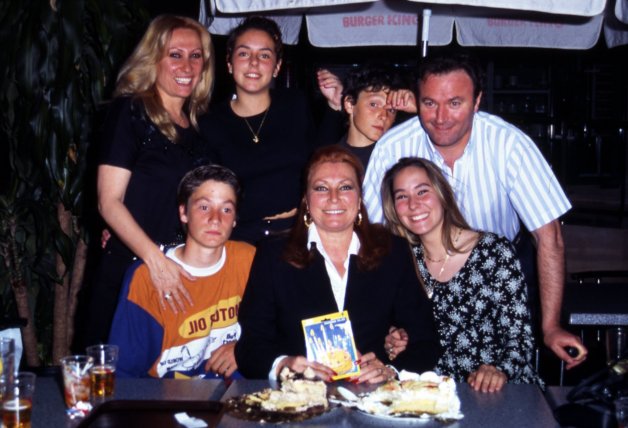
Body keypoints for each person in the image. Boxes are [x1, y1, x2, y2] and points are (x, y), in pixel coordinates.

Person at [362, 51, 587, 368]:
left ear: (477, 101)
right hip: (418, 277)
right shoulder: (392, 146)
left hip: (499, 275)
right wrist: (386, 322)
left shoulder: (508, 144)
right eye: (429, 103)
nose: (441, 117)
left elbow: (549, 237)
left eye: (455, 103)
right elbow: (372, 240)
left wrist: (549, 327)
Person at [234, 145, 441, 382]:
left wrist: (390, 371)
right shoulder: (273, 255)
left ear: (360, 197)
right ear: (306, 199)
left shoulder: (392, 251)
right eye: (321, 188)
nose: (334, 198)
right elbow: (250, 345)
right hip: (301, 400)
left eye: (345, 187)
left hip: (373, 398)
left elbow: (425, 339)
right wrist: (282, 365)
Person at [84, 15, 215, 346]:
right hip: (132, 270)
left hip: (179, 273)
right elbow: (108, 201)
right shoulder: (131, 112)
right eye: (175, 54)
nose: (186, 65)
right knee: (113, 385)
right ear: (152, 58)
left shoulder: (198, 129)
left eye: (195, 55)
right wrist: (155, 260)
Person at [381, 157, 543, 392]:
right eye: (402, 196)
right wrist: (396, 339)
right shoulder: (402, 260)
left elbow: (520, 337)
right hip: (431, 393)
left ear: (442, 194)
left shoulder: (494, 251)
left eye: (422, 191)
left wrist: (498, 370)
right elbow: (403, 332)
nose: (413, 204)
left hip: (500, 391)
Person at [199, 16, 344, 245]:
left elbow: (320, 160)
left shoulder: (294, 104)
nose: (254, 63)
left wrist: (334, 108)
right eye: (244, 53)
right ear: (229, 63)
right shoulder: (210, 122)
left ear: (277, 67)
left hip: (299, 233)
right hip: (242, 240)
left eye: (264, 55)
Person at [109, 164, 255, 379]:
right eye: (204, 207)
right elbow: (124, 374)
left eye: (226, 209)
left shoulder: (248, 259)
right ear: (183, 213)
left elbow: (281, 327)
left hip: (238, 398)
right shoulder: (146, 278)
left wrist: (244, 347)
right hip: (167, 401)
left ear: (235, 219)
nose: (215, 219)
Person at [338, 64, 416, 168]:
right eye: (374, 104)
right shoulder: (331, 160)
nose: (383, 116)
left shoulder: (399, 156)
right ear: (350, 104)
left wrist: (419, 107)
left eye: (391, 110)